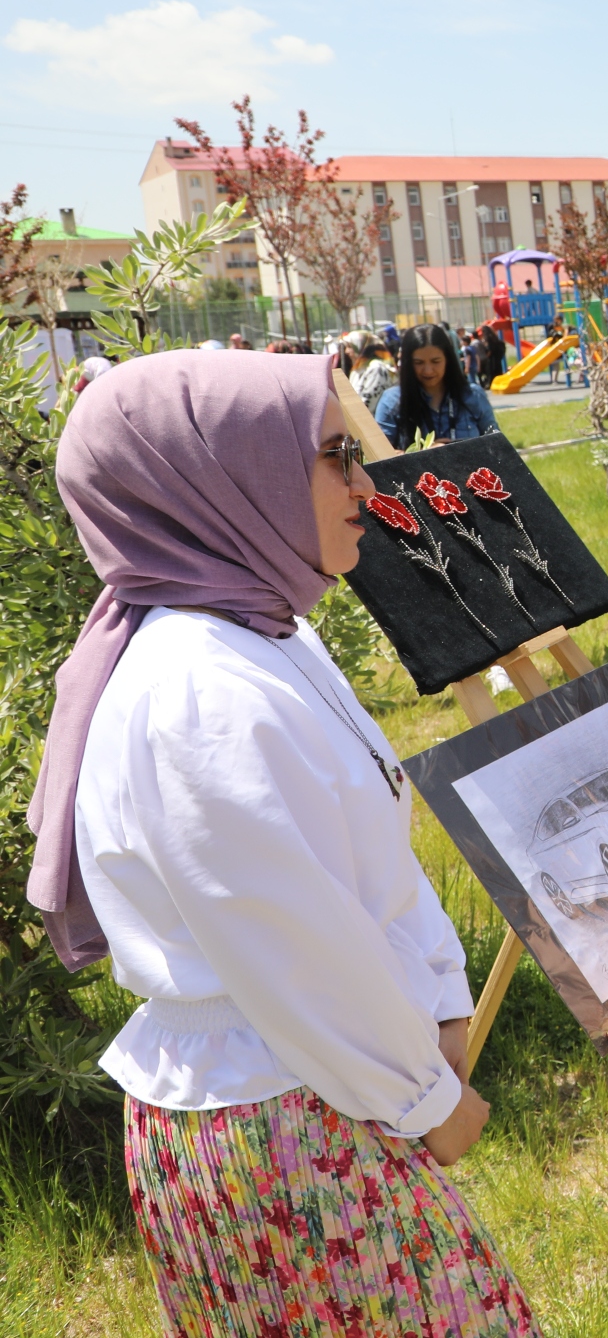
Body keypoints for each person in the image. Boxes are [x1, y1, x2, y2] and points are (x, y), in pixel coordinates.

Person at [31, 349, 538, 1335]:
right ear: (227, 479)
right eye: (333, 458)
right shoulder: (194, 688)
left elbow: (365, 860)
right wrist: (427, 1093)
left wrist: (438, 1006)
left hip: (327, 1089)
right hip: (287, 1117)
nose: (363, 484)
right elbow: (293, 949)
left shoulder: (264, 632)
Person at [374, 323, 497, 445]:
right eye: (419, 363)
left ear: (448, 359)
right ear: (408, 363)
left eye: (435, 361)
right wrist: (425, 455)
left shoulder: (473, 395)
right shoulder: (391, 402)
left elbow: (497, 447)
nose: (428, 370)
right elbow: (380, 456)